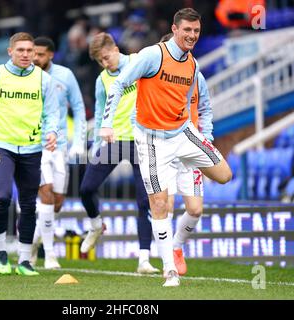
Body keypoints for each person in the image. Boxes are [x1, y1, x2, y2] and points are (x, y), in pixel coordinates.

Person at [99, 8, 232, 287]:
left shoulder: (193, 65)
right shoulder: (152, 55)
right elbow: (120, 83)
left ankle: (176, 244)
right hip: (152, 140)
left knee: (224, 175)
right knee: (159, 203)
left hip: (184, 133)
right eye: (187, 30)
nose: (192, 35)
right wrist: (107, 123)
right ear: (174, 29)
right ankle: (169, 269)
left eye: (196, 31)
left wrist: (201, 134)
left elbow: (189, 103)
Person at [0, 32, 59, 276]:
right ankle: (0, 250)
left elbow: (52, 112)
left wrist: (52, 132)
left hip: (32, 148)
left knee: (27, 205)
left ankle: (25, 260)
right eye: (21, 51)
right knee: (3, 197)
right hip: (1, 145)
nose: (26, 55)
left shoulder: (42, 79)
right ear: (10, 52)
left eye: (30, 51)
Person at [79, 32, 159, 274]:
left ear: (115, 48)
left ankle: (144, 259)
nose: (105, 64)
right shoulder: (102, 79)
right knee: (86, 188)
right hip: (114, 141)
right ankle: (95, 225)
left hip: (141, 140)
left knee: (144, 201)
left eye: (106, 58)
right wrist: (95, 146)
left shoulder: (138, 62)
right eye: (100, 62)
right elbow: (102, 109)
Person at [30, 36, 87, 269]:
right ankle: (50, 254)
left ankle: (32, 243)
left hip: (60, 146)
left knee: (57, 202)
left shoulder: (65, 75)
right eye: (34, 53)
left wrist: (79, 142)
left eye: (41, 54)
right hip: (36, 145)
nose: (35, 58)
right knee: (46, 194)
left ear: (51, 55)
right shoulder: (26, 77)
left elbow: (80, 107)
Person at [160, 32, 213, 277]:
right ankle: (167, 262)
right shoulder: (156, 80)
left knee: (195, 210)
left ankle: (176, 247)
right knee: (166, 205)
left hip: (189, 148)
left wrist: (207, 139)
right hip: (164, 148)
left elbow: (205, 108)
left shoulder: (195, 75)